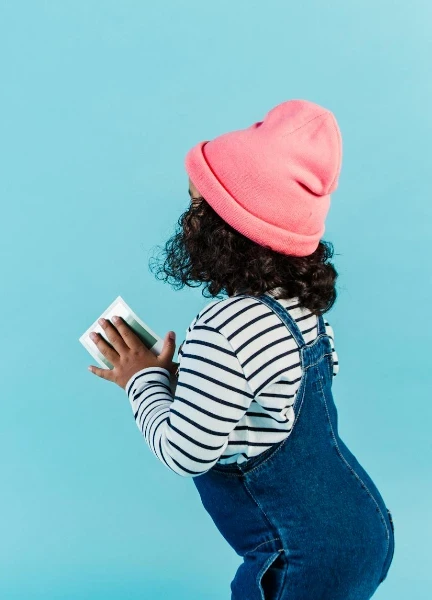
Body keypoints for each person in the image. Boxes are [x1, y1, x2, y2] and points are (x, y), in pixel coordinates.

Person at [88, 100, 394, 599]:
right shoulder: (298, 309)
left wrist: (140, 379)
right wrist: (182, 381)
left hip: (299, 553)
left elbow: (185, 451)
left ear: (229, 227)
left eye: (196, 205)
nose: (186, 220)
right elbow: (263, 410)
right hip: (362, 528)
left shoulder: (226, 325)